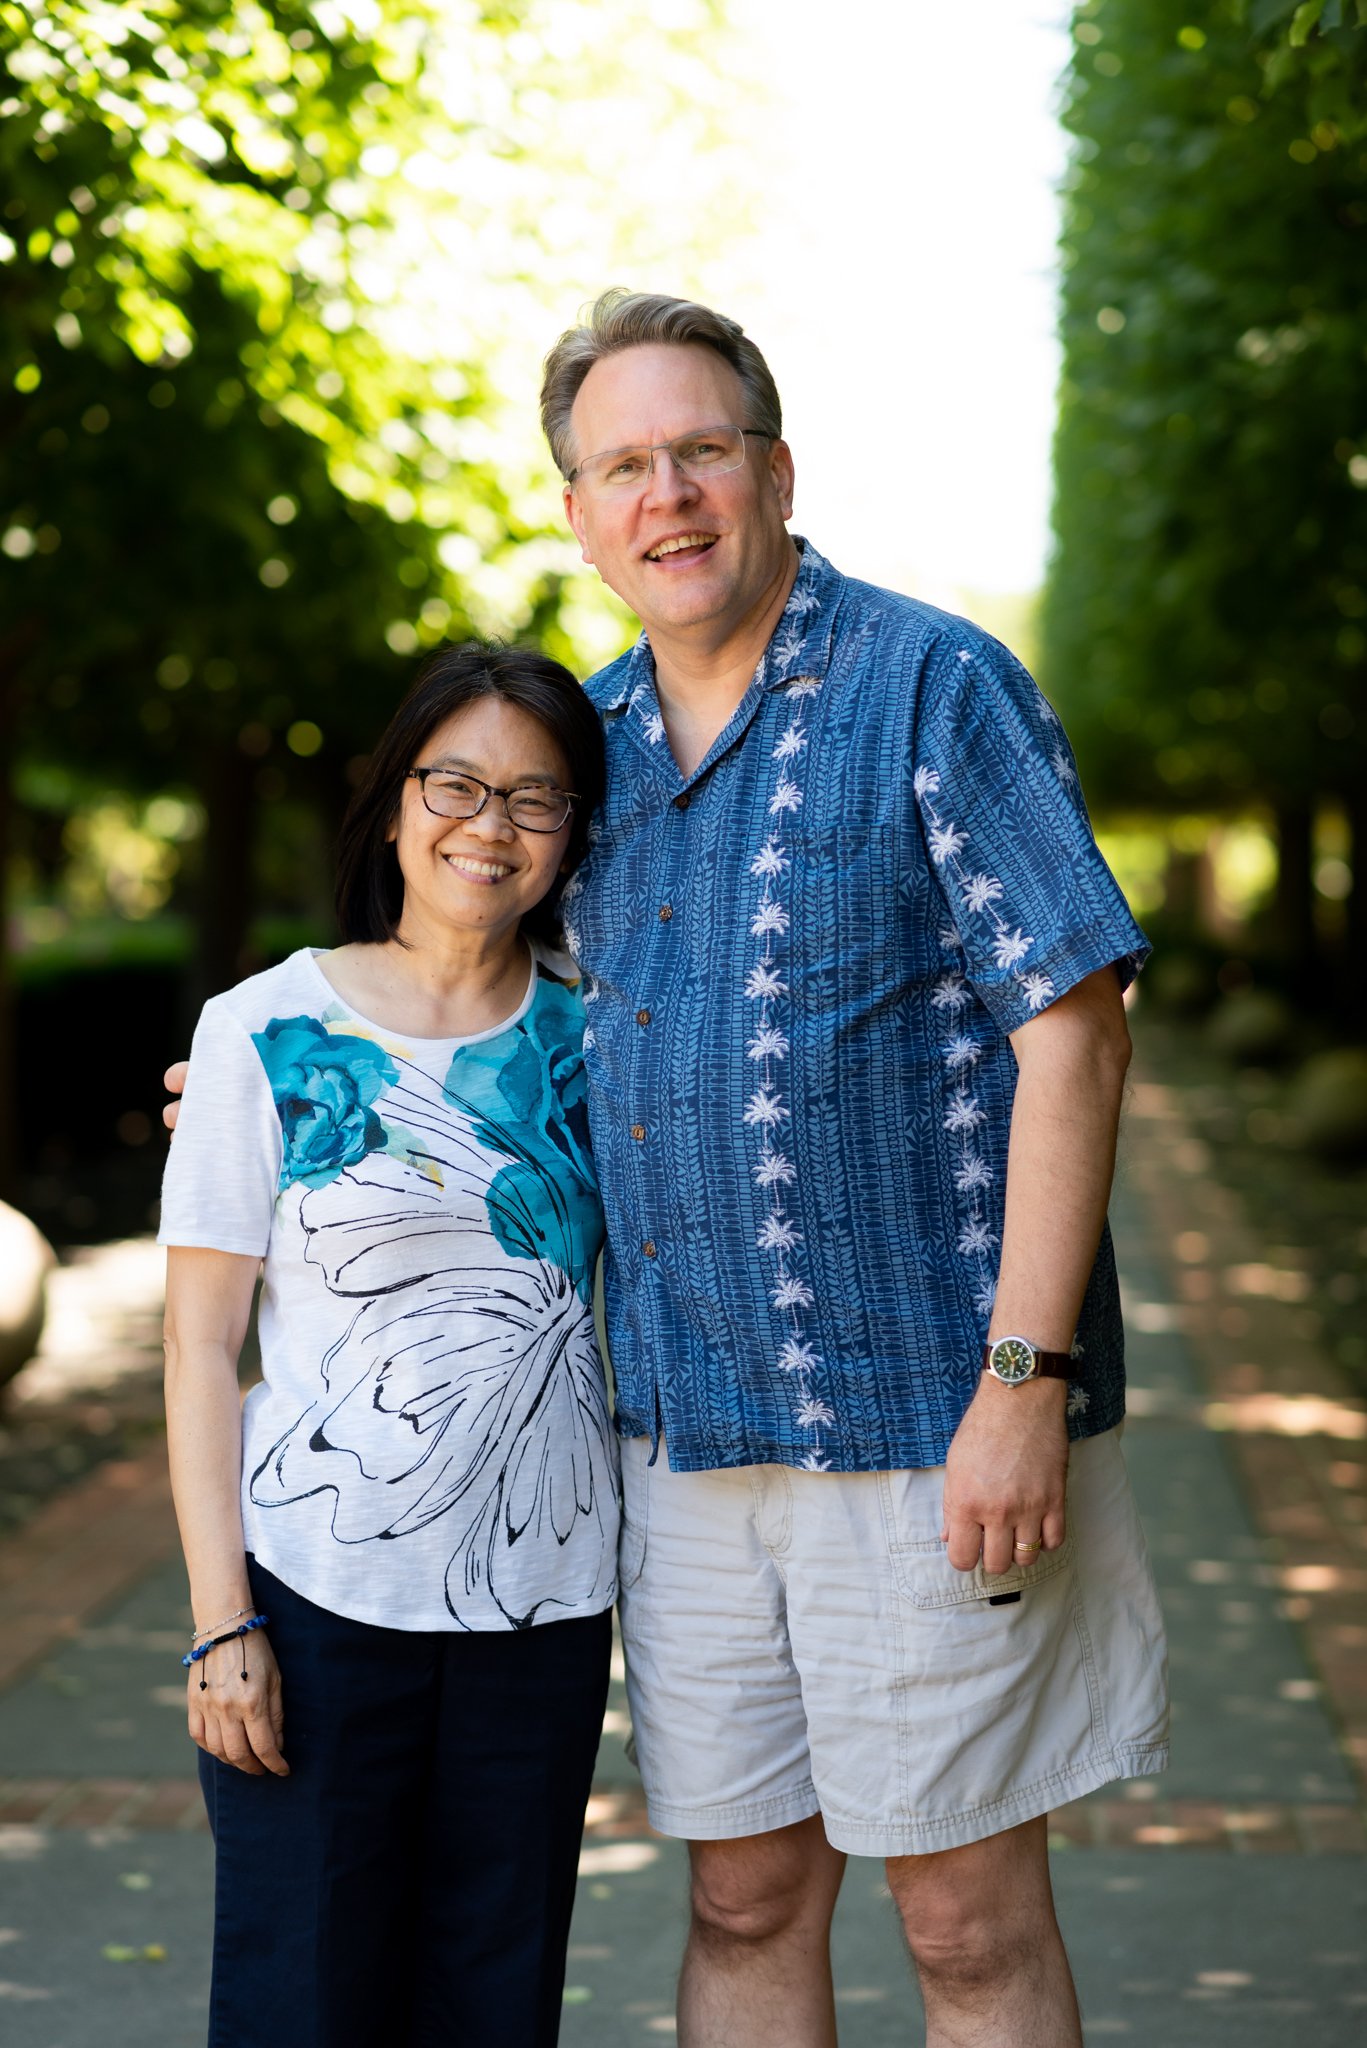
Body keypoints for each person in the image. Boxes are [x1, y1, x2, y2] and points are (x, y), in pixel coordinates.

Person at [167, 291, 1170, 2048]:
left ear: (776, 469)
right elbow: (483, 1005)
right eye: (623, 464)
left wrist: (1025, 1376)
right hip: (683, 1450)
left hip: (928, 1422)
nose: (670, 495)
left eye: (702, 450)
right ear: (577, 511)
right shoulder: (595, 754)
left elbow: (1074, 1027)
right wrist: (267, 1079)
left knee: (962, 1921)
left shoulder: (933, 682)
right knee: (743, 1896)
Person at [159, 643, 615, 2048]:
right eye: (460, 784)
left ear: (575, 832)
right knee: (305, 2003)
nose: (493, 827)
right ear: (397, 800)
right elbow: (195, 1351)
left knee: (493, 2002)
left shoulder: (604, 1039)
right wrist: (220, 1625)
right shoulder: (263, 1032)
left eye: (538, 799)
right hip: (312, 1596)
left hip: (540, 1610)